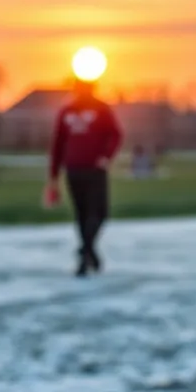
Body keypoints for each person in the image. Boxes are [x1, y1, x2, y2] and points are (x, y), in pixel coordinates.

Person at [46, 79, 123, 276]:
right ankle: (86, 252)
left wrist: (54, 175)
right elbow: (58, 144)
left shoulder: (68, 111)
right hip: (86, 169)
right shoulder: (99, 110)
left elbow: (115, 135)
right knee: (96, 214)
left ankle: (87, 252)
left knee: (85, 215)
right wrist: (105, 156)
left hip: (81, 168)